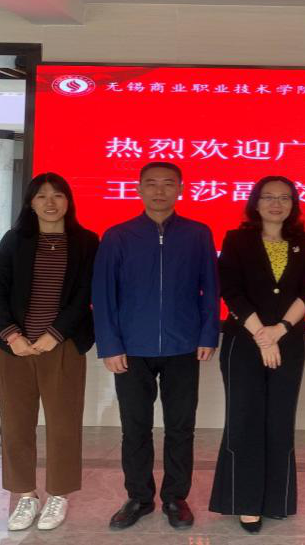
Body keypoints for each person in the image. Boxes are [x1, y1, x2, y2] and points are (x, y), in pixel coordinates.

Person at [92, 162, 219, 531]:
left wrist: (207, 335)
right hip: (131, 348)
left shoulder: (197, 234)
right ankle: (139, 497)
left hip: (183, 346)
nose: (159, 191)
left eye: (168, 183)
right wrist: (110, 345)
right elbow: (104, 295)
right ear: (138, 189)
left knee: (181, 427)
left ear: (181, 189)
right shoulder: (118, 236)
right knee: (135, 428)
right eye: (151, 184)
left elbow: (211, 288)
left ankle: (176, 497)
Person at [0, 172, 100, 531]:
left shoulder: (86, 241)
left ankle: (58, 495)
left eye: (58, 195)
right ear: (31, 203)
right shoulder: (14, 240)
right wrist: (12, 336)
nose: (50, 202)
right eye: (41, 196)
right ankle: (25, 495)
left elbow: (85, 294)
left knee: (64, 425)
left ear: (69, 201)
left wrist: (55, 333)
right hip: (15, 348)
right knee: (16, 425)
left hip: (62, 346)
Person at [209, 176, 305, 533]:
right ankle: (245, 501)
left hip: (289, 342)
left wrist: (279, 331)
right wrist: (262, 335)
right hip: (243, 343)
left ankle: (276, 500)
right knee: (245, 418)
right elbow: (231, 291)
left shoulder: (304, 242)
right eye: (268, 197)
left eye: (284, 198)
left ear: (293, 205)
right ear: (255, 202)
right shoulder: (237, 239)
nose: (276, 204)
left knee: (279, 420)